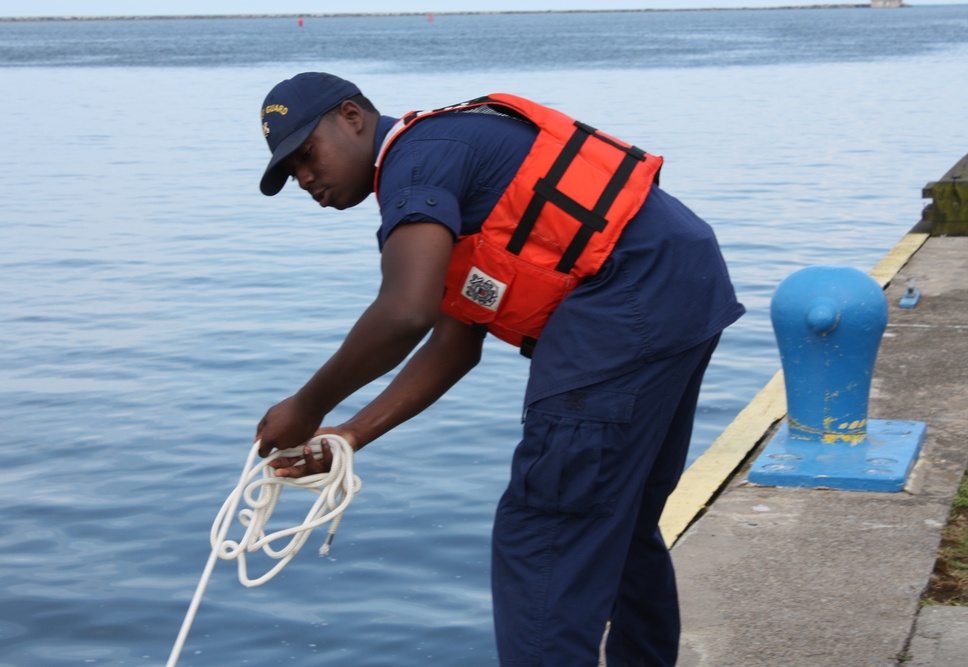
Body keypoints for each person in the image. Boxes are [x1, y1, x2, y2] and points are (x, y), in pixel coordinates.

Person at [253, 71, 744, 667]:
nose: (305, 177)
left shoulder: (416, 163)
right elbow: (454, 343)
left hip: (626, 302)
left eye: (308, 153)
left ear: (352, 116)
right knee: (621, 522)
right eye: (290, 171)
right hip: (684, 288)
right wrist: (353, 433)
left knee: (546, 533)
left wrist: (307, 406)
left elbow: (405, 312)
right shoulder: (444, 155)